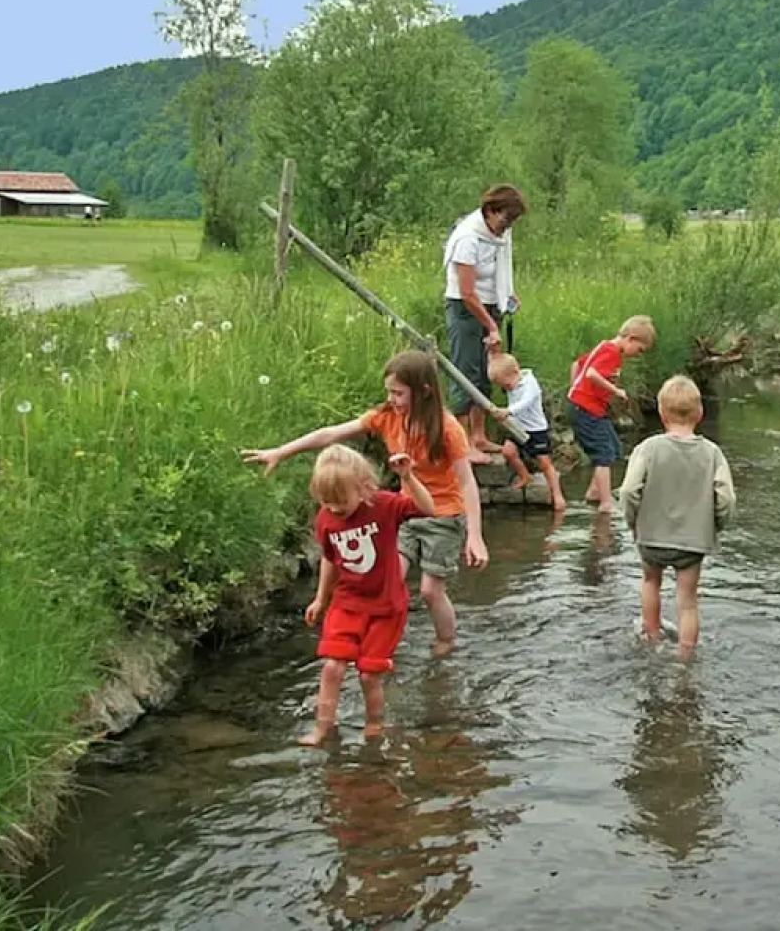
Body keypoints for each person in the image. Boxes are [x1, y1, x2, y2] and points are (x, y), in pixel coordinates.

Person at [242, 351, 488, 658]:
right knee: (387, 578)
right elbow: (332, 434)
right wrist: (282, 451)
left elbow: (466, 482)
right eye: (389, 391)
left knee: (429, 590)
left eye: (398, 393)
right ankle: (378, 641)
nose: (392, 399)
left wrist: (475, 536)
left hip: (444, 515)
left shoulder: (447, 428)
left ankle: (446, 641)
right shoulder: (387, 417)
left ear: (424, 391)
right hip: (406, 511)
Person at [300, 444, 434, 744]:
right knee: (332, 666)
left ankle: (374, 724)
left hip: (386, 606)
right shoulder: (325, 519)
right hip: (346, 602)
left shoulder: (383, 505)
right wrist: (321, 599)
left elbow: (427, 508)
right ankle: (322, 727)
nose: (334, 509)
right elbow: (330, 559)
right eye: (326, 501)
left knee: (368, 674)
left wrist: (409, 477)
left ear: (363, 487)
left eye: (341, 501)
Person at [619, 375, 735, 661]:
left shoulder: (647, 448)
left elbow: (629, 490)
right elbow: (727, 498)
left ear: (661, 413)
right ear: (699, 413)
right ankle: (685, 660)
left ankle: (651, 639)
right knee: (687, 602)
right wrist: (715, 525)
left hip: (651, 535)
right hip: (694, 541)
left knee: (650, 583)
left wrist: (633, 522)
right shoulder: (713, 453)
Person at [443, 184, 526, 464]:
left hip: (490, 306)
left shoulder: (500, 235)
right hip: (466, 311)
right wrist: (491, 325)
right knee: (465, 373)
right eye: (505, 220)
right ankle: (463, 443)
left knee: (485, 371)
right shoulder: (467, 238)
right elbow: (466, 292)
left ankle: (479, 436)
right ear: (490, 211)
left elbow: (499, 270)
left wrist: (508, 295)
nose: (507, 227)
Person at [567, 315, 656, 513]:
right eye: (639, 350)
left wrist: (574, 389)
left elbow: (578, 365)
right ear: (631, 338)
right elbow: (591, 374)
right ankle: (606, 503)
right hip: (586, 409)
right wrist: (616, 391)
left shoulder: (604, 347)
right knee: (603, 455)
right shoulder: (612, 352)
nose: (637, 355)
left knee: (614, 448)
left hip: (591, 408)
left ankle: (594, 492)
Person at [487, 352, 566, 513]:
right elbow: (497, 363)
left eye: (507, 386)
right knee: (508, 452)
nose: (506, 389)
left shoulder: (531, 384)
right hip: (517, 427)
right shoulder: (510, 377)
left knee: (544, 463)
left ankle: (558, 495)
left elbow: (525, 403)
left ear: (516, 372)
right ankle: (525, 476)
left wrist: (507, 411)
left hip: (535, 430)